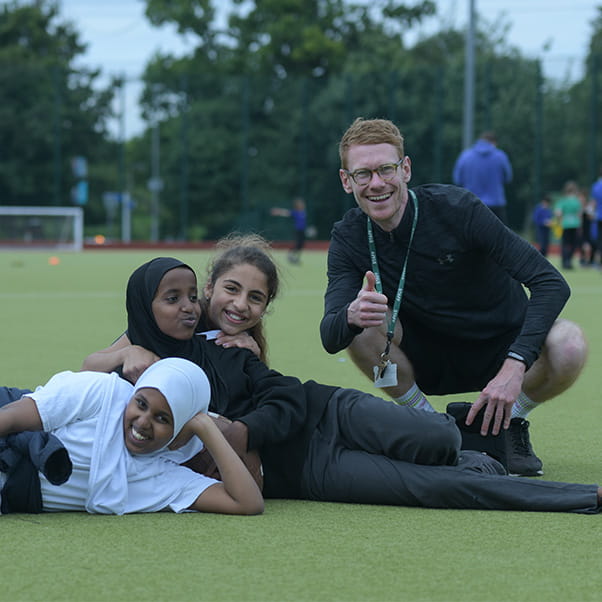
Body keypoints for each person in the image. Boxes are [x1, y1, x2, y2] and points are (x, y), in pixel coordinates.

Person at [78, 257, 602, 514]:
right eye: (175, 299)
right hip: (308, 469)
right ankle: (582, 497)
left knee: (440, 441)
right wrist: (122, 352)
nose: (190, 307)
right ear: (144, 306)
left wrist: (241, 433)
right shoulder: (135, 377)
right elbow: (75, 391)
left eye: (193, 296)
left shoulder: (225, 346)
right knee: (434, 488)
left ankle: (469, 442)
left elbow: (283, 396)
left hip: (326, 411)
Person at [320, 117, 588, 478]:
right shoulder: (349, 236)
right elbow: (330, 336)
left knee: (570, 344)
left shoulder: (457, 209)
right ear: (346, 181)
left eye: (386, 169)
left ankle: (509, 423)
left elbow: (550, 283)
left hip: (502, 349)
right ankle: (432, 430)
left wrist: (514, 366)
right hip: (428, 358)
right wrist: (350, 315)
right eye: (363, 174)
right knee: (363, 327)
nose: (377, 183)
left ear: (406, 169)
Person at [0, 357, 263, 515]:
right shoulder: (103, 392)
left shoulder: (164, 477)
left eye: (164, 419)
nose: (143, 421)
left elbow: (247, 503)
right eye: (141, 403)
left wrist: (205, 427)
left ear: (181, 429)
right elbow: (11, 417)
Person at [199, 233, 280, 364]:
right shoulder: (176, 329)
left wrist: (252, 363)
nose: (241, 305)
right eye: (231, 289)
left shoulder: (249, 348)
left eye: (255, 297)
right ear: (209, 287)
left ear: (265, 307)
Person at [452, 131, 513, 224]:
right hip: (495, 205)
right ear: (493, 143)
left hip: (471, 204)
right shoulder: (500, 156)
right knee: (499, 237)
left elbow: (457, 179)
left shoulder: (465, 156)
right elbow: (508, 177)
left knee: (470, 237)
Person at [555, 181, 582, 270]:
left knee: (565, 244)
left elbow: (558, 213)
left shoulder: (563, 201)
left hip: (565, 224)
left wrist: (560, 220)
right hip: (575, 224)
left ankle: (565, 261)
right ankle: (569, 261)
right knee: (573, 244)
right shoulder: (577, 201)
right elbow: (579, 214)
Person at [270, 197, 307, 264]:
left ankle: (296, 258)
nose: (302, 205)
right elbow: (286, 213)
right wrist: (278, 211)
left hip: (302, 230)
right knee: (298, 244)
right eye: (300, 204)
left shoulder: (303, 212)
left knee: (301, 245)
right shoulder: (296, 212)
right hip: (298, 230)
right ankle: (290, 255)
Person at [590, 166, 602, 268]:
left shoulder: (596, 186)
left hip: (599, 217)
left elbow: (593, 203)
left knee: (600, 240)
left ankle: (599, 262)